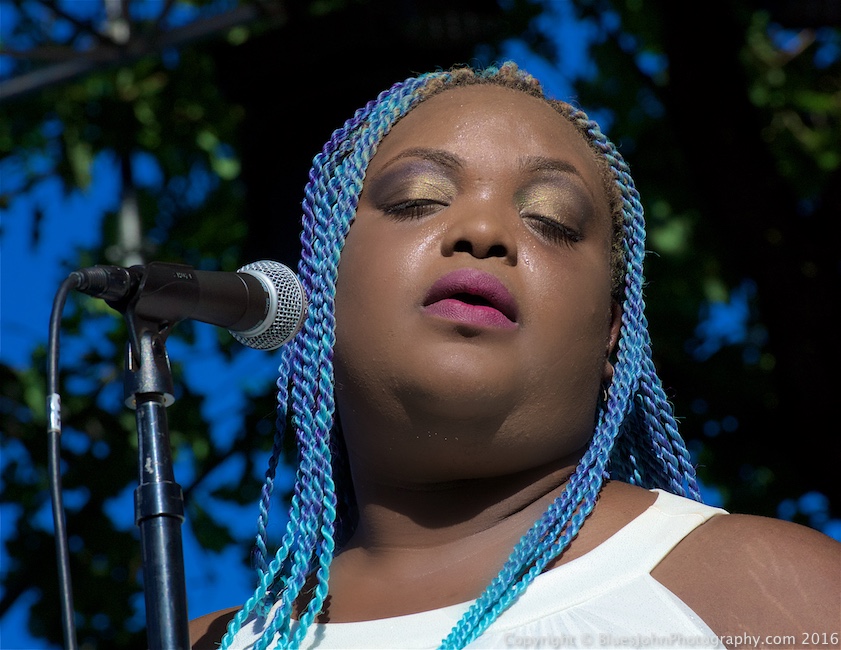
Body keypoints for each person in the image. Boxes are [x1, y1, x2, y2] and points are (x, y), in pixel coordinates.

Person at [190, 63, 839, 650]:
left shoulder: (768, 594)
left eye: (551, 220)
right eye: (418, 199)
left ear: (614, 328)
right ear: (319, 287)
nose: (482, 232)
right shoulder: (204, 641)